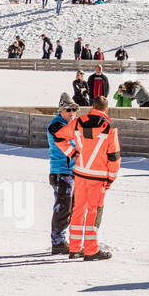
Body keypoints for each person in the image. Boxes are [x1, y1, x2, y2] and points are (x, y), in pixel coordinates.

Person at [60, 96, 120, 260]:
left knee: (78, 209)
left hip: (80, 174)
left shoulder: (78, 122)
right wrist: (111, 178)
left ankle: (74, 248)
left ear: (92, 106)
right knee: (94, 212)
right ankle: (91, 250)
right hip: (98, 177)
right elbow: (114, 156)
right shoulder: (109, 127)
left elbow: (59, 137)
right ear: (106, 109)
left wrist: (72, 153)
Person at [46, 101, 80, 254]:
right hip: (61, 172)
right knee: (63, 207)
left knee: (71, 207)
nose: (72, 112)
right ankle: (58, 242)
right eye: (68, 110)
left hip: (71, 171)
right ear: (61, 111)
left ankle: (64, 239)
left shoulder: (70, 125)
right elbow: (65, 139)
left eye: (74, 110)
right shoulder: (56, 125)